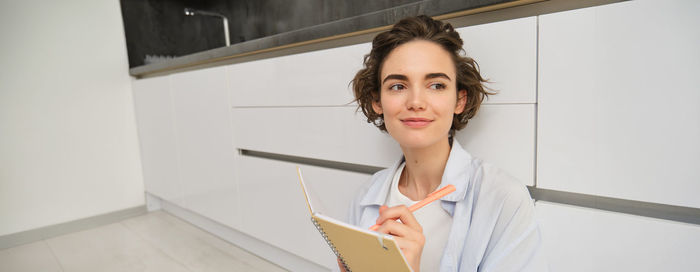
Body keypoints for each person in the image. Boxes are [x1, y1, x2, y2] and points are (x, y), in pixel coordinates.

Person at [343, 15, 548, 271]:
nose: (416, 101)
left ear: (459, 101)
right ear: (377, 101)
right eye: (398, 86)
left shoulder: (504, 200)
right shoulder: (365, 197)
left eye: (436, 85)